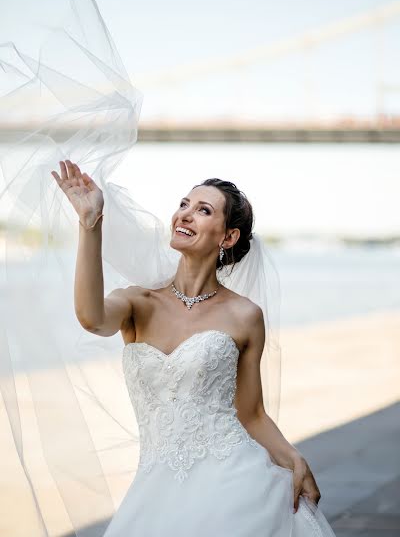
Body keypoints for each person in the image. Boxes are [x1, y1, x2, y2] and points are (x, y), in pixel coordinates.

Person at [49, 158, 337, 536]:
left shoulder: (245, 315)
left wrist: (293, 458)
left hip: (235, 484)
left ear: (227, 237)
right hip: (155, 490)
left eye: (203, 210)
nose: (184, 215)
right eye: (183, 204)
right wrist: (91, 224)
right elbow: (91, 318)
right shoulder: (139, 302)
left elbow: (251, 414)